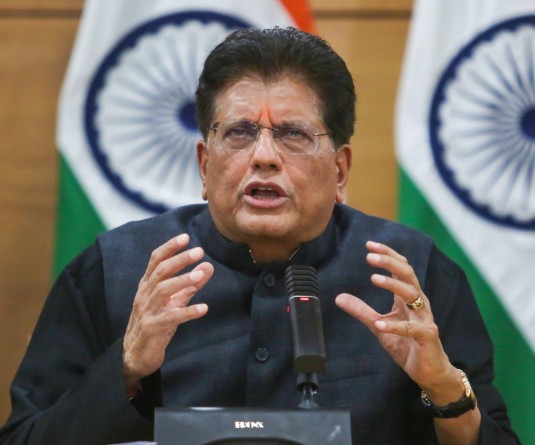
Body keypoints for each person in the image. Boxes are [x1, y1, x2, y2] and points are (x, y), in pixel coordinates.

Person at [0, 27, 520, 445]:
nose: (264, 156)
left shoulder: (411, 278)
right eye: (239, 133)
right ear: (204, 165)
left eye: (293, 134)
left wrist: (443, 388)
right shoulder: (115, 270)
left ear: (340, 171)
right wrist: (127, 366)